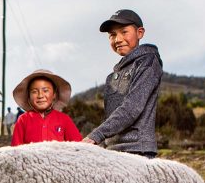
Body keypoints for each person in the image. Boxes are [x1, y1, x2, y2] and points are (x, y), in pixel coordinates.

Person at [83, 9, 163, 158]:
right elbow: (111, 117)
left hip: (136, 150)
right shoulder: (111, 77)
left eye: (124, 32)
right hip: (113, 150)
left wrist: (96, 135)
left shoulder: (148, 62)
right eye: (112, 35)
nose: (118, 39)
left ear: (140, 33)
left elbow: (132, 107)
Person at [10, 69, 82, 145]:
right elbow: (16, 151)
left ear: (54, 95)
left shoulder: (64, 119)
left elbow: (78, 147)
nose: (40, 96)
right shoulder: (23, 120)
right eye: (34, 91)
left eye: (45, 90)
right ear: (29, 97)